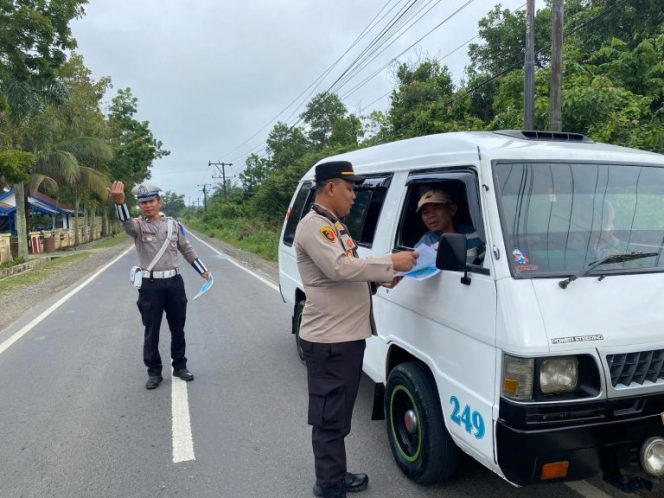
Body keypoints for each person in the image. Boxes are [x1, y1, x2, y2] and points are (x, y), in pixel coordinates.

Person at [294, 160, 418, 498]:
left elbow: (350, 274)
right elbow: (339, 269)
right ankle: (329, 486)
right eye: (349, 189)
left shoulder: (337, 227)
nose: (353, 196)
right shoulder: (314, 227)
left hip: (345, 337)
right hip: (329, 340)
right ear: (331, 187)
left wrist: (381, 280)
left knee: (339, 415)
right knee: (329, 418)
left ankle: (335, 474)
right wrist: (391, 261)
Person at [108, 180, 211, 390]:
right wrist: (120, 204)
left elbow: (187, 249)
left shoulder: (173, 225)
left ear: (159, 202)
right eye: (143, 202)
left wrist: (203, 271)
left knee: (178, 327)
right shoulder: (138, 226)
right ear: (139, 205)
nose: (147, 205)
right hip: (150, 285)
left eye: (151, 201)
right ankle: (154, 372)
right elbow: (126, 223)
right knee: (151, 330)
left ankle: (180, 366)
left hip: (174, 283)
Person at [415, 189, 484, 263]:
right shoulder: (424, 246)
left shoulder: (475, 234)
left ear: (452, 209)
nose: (431, 215)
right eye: (425, 212)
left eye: (436, 208)